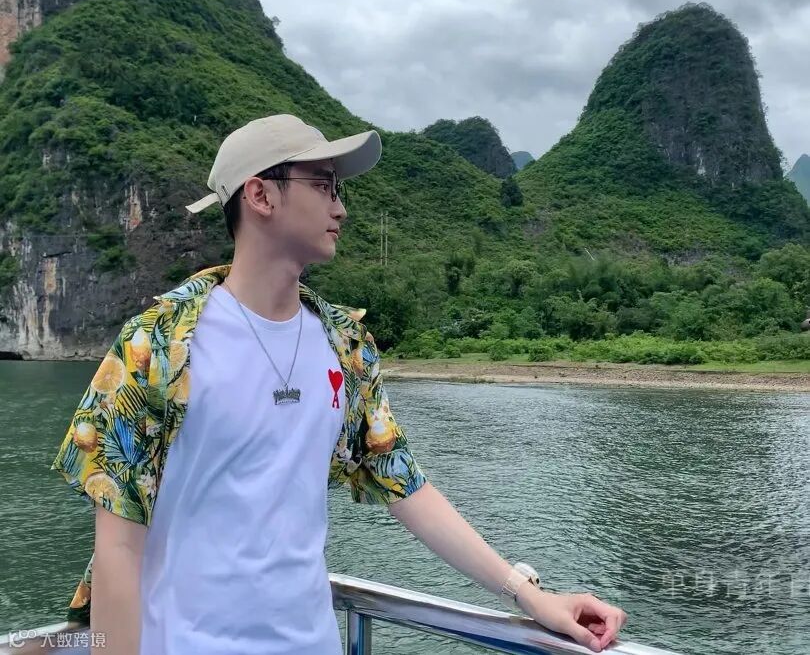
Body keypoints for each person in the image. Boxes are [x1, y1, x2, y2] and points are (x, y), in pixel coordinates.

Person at [52, 113, 627, 654]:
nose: (341, 207)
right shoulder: (157, 345)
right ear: (260, 195)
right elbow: (118, 547)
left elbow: (404, 483)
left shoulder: (344, 345)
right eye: (324, 185)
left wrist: (530, 595)